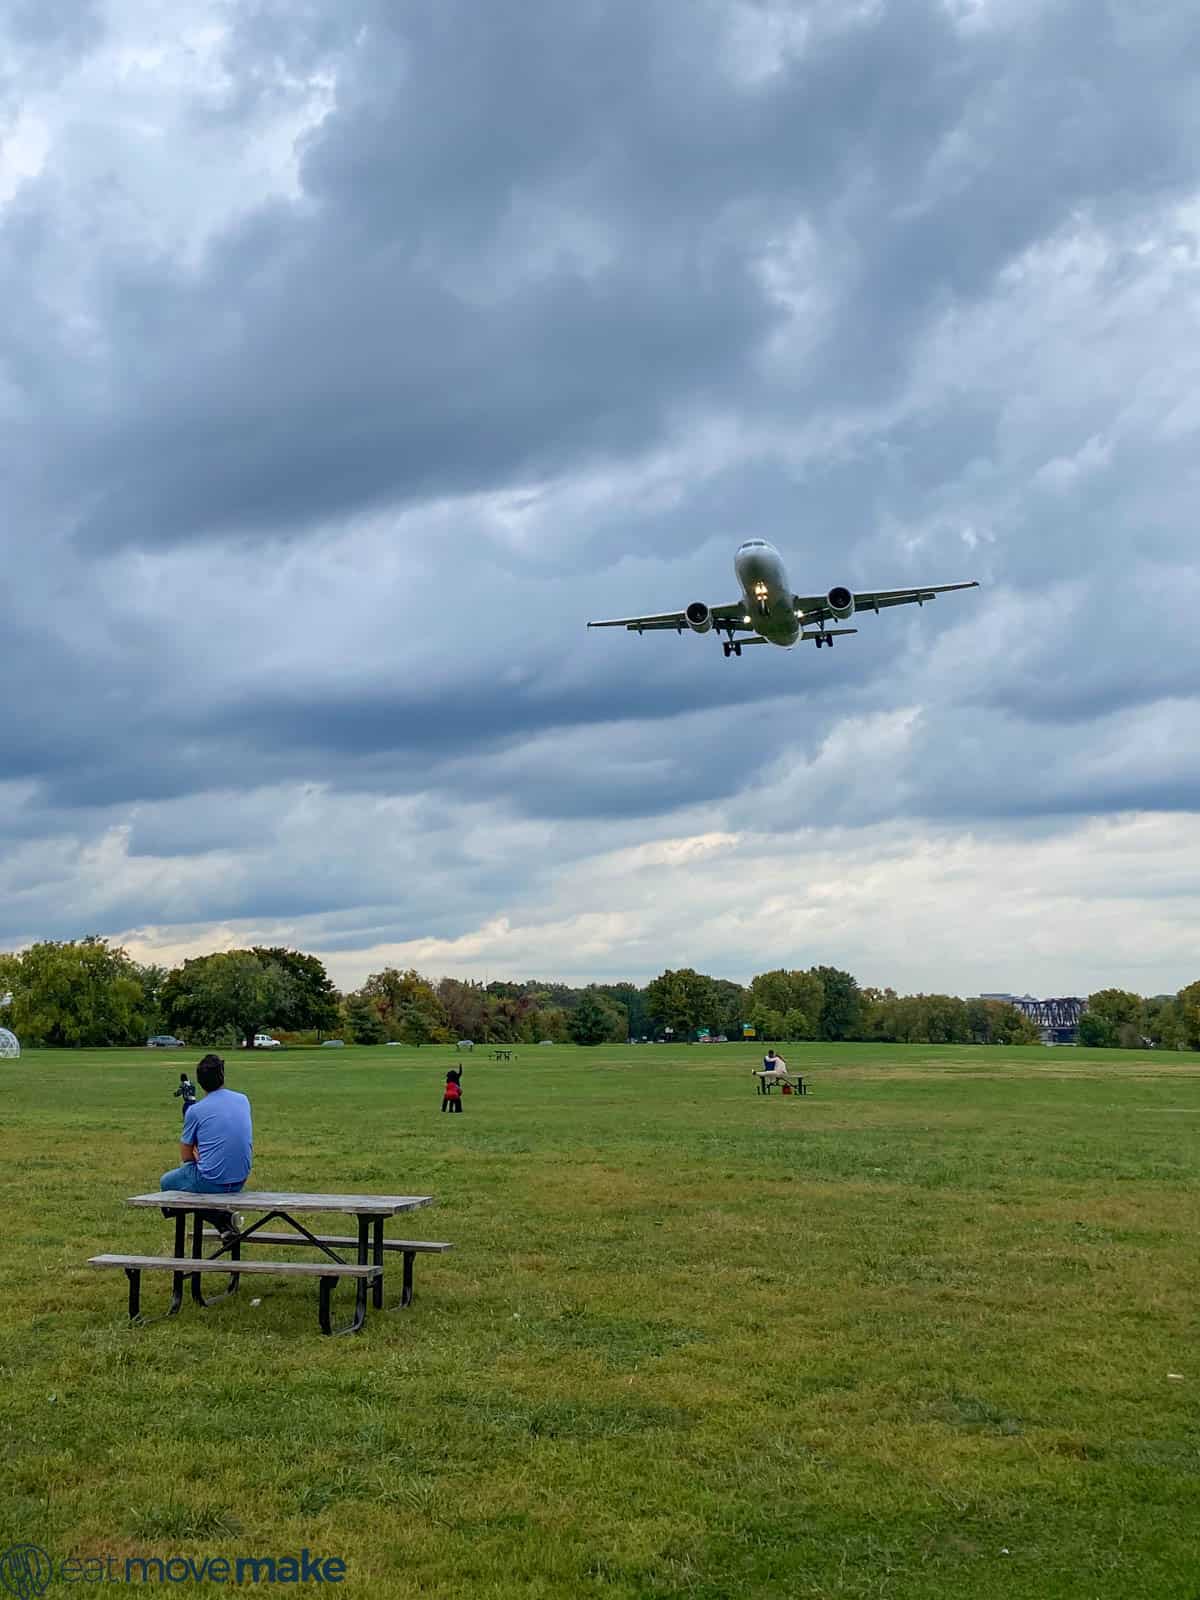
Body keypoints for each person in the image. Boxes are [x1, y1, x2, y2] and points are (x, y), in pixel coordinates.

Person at [159, 1054, 252, 1245]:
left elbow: (186, 1156)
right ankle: (223, 1224)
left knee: (168, 1183)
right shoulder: (243, 1100)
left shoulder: (195, 1111)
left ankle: (221, 1220)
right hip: (239, 1180)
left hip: (212, 1182)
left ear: (200, 1082)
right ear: (222, 1075)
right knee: (192, 1186)